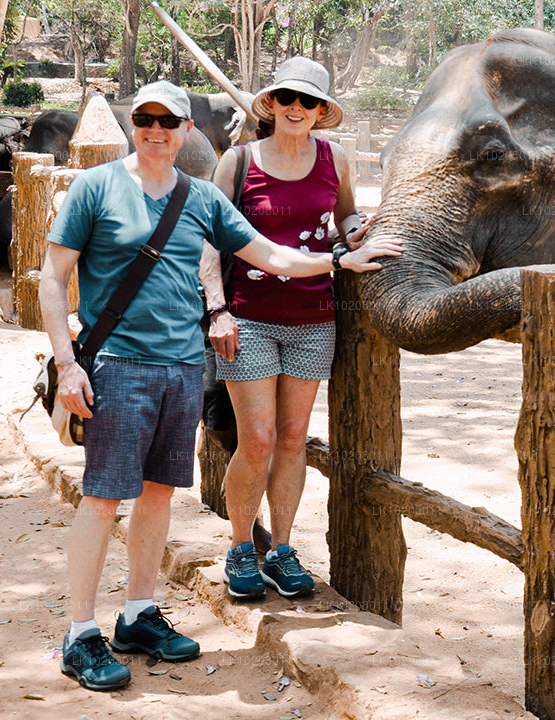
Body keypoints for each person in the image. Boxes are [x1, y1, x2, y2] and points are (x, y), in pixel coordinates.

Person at [40, 80, 400, 692]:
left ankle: (137, 615)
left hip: (183, 366)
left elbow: (271, 255)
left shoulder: (200, 196)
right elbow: (53, 279)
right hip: (118, 366)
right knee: (103, 500)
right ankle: (78, 633)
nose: (156, 129)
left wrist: (338, 261)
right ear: (135, 125)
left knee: (157, 496)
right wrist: (68, 363)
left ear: (187, 130)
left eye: (168, 120)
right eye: (145, 118)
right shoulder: (95, 187)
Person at [202, 56, 365, 601]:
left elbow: (345, 217)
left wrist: (358, 231)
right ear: (271, 105)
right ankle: (241, 548)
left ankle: (284, 550)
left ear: (322, 112)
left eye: (310, 101)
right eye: (288, 99)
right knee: (259, 440)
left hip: (314, 319)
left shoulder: (336, 159)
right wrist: (217, 309)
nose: (298, 108)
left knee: (293, 439)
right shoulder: (239, 162)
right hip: (246, 318)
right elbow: (209, 243)